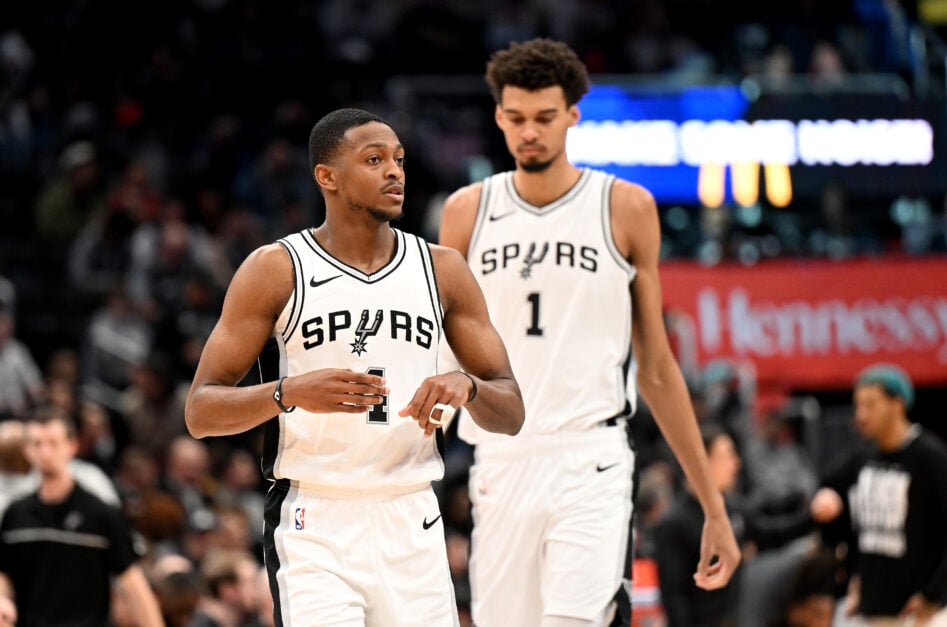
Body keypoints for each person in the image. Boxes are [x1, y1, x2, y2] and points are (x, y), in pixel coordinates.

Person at [438, 38, 740, 627]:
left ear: (573, 115)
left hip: (591, 458)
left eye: (545, 118)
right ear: (499, 116)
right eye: (517, 118)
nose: (531, 132)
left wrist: (713, 504)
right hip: (499, 459)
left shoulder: (624, 206)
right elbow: (432, 348)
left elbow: (655, 366)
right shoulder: (466, 211)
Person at [185, 107, 524, 627]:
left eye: (399, 160)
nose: (395, 172)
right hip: (315, 519)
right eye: (374, 159)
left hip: (412, 514)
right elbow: (201, 411)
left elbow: (511, 410)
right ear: (328, 177)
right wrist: (287, 392)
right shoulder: (276, 268)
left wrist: (469, 386)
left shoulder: (443, 270)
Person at [0, 407, 164, 627]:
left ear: (72, 445)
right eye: (37, 444)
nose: (46, 452)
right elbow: (5, 574)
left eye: (53, 443)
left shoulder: (100, 515)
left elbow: (133, 585)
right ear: (26, 450)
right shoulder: (15, 515)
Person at [811, 364, 947, 626]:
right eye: (858, 405)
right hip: (871, 607)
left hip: (919, 612)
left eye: (871, 405)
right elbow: (843, 519)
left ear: (897, 404)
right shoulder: (862, 457)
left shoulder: (930, 457)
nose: (861, 415)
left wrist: (933, 593)